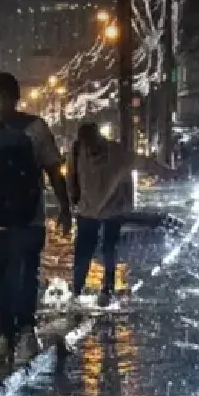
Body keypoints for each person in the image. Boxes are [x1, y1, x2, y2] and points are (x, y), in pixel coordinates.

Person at [0, 70, 71, 363]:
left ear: (15, 98)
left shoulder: (28, 129)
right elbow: (53, 170)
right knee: (4, 280)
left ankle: (22, 331)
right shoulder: (25, 129)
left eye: (4, 97)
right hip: (2, 221)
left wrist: (65, 208)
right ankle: (8, 335)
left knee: (23, 276)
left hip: (16, 221)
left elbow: (54, 171)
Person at [68, 123, 172, 303]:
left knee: (108, 248)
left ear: (98, 138)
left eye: (91, 143)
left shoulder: (116, 153)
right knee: (85, 250)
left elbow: (143, 162)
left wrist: (166, 172)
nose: (90, 148)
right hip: (87, 210)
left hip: (111, 209)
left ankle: (106, 289)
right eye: (86, 144)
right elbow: (71, 178)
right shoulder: (77, 151)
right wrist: (70, 204)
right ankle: (78, 289)